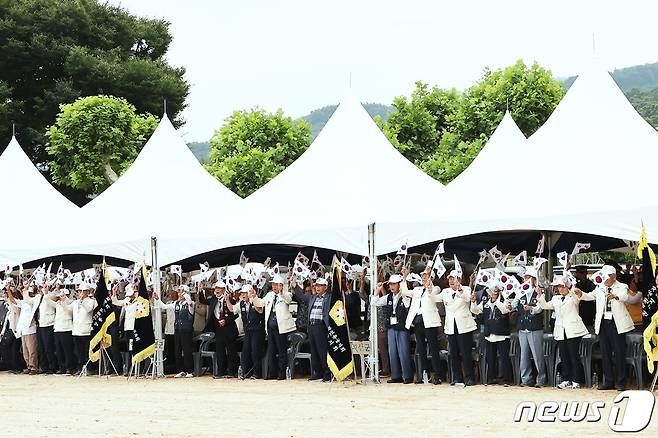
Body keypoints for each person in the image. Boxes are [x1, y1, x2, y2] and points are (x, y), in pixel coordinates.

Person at [579, 265, 638, 391]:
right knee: (605, 353)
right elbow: (590, 296)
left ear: (613, 276)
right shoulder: (600, 287)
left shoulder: (621, 286)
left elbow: (625, 296)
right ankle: (608, 381)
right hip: (603, 323)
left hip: (617, 323)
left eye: (607, 277)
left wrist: (615, 296)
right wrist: (581, 294)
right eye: (603, 277)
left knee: (619, 353)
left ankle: (621, 382)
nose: (605, 279)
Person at [537, 275, 588, 389]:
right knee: (563, 355)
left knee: (573, 355)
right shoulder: (556, 298)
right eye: (558, 287)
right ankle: (566, 379)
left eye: (562, 286)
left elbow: (576, 297)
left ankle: (576, 380)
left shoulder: (573, 296)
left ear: (567, 287)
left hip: (573, 330)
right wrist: (540, 295)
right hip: (561, 330)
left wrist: (571, 285)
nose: (560, 289)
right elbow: (545, 306)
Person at [401, 267, 443, 385]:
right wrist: (404, 277)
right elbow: (404, 292)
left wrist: (429, 285)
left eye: (426, 275)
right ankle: (425, 374)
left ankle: (438, 375)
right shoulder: (417, 289)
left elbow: (432, 294)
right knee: (421, 349)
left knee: (433, 349)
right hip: (419, 321)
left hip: (430, 322)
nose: (423, 277)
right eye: (423, 275)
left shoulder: (436, 288)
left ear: (431, 278)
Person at [251, 275, 296, 380]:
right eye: (273, 284)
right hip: (270, 327)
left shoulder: (286, 294)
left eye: (276, 284)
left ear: (281, 285)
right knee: (271, 351)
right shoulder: (270, 295)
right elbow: (260, 303)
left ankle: (281, 373)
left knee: (281, 351)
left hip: (281, 328)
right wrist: (254, 297)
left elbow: (288, 300)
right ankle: (272, 373)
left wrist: (281, 292)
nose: (274, 286)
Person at [438, 269, 478, 386]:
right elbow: (435, 297)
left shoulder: (466, 289)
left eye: (454, 278)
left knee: (466, 353)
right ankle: (457, 377)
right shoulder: (445, 291)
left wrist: (459, 288)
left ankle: (469, 377)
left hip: (464, 326)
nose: (451, 281)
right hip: (451, 326)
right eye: (450, 278)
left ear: (459, 280)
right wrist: (429, 288)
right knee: (453, 353)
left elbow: (467, 298)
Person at [372, 274, 412, 384]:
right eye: (390, 284)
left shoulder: (405, 296)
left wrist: (404, 284)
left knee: (403, 352)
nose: (391, 286)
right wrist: (377, 290)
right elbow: (374, 302)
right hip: (391, 327)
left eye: (394, 284)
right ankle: (396, 376)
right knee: (392, 352)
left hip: (402, 327)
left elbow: (408, 306)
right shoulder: (388, 297)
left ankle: (407, 376)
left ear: (399, 285)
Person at [291, 275, 331, 381]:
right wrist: (295, 286)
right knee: (313, 350)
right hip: (312, 326)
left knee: (322, 350)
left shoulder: (329, 298)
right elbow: (302, 296)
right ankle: (317, 372)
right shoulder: (313, 297)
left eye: (320, 286)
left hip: (321, 326)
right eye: (316, 285)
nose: (317, 287)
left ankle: (327, 373)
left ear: (325, 287)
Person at [512, 267, 546, 387]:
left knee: (537, 355)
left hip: (534, 327)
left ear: (533, 279)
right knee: (524, 356)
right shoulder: (520, 292)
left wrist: (531, 308)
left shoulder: (539, 292)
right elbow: (513, 305)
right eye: (524, 277)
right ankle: (526, 379)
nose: (525, 280)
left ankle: (540, 379)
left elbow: (541, 308)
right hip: (523, 327)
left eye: (528, 278)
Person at [472, 286, 513, 386]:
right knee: (490, 358)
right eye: (490, 292)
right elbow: (475, 311)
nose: (491, 294)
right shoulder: (485, 302)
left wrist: (496, 301)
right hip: (489, 334)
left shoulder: (505, 299)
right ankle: (491, 378)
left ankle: (505, 379)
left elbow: (505, 310)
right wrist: (473, 302)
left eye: (494, 292)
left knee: (504, 358)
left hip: (502, 334)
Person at [198, 281, 239, 378]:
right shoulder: (213, 299)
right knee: (219, 350)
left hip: (229, 329)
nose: (216, 290)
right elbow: (203, 300)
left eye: (219, 288)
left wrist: (226, 321)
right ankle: (221, 371)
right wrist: (200, 290)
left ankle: (232, 371)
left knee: (230, 351)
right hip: (218, 329)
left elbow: (236, 314)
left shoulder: (230, 300)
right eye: (216, 288)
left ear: (224, 290)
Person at [155, 285, 194, 378]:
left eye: (181, 292)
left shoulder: (190, 304)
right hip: (177, 329)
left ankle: (190, 370)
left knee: (187, 350)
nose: (179, 294)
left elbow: (189, 302)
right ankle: (180, 370)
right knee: (177, 350)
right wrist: (157, 299)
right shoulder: (176, 304)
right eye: (179, 292)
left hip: (186, 330)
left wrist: (185, 293)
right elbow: (164, 306)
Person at [227, 283, 265, 379]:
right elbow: (232, 309)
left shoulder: (256, 301)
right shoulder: (241, 303)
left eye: (245, 293)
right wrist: (227, 299)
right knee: (245, 352)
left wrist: (254, 299)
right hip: (247, 331)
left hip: (257, 331)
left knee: (255, 352)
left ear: (249, 293)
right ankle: (246, 372)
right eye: (242, 293)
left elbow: (260, 310)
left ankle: (257, 373)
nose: (243, 295)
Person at [7, 285, 39, 374]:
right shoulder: (23, 303)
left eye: (25, 292)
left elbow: (36, 297)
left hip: (31, 328)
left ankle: (34, 367)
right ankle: (28, 365)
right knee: (25, 350)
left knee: (32, 349)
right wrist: (8, 290)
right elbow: (13, 300)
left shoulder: (33, 301)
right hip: (23, 329)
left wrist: (26, 290)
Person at [46, 286, 76, 375]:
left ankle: (70, 368)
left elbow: (68, 311)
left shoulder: (71, 303)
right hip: (58, 329)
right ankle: (62, 367)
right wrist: (45, 292)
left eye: (62, 295)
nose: (60, 297)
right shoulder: (58, 303)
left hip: (67, 329)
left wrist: (63, 301)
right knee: (59, 350)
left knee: (67, 350)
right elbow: (48, 301)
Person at [71, 282, 97, 374]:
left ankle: (89, 368)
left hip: (86, 330)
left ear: (87, 292)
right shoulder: (75, 302)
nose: (81, 293)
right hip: (76, 329)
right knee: (78, 351)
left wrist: (82, 301)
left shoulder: (92, 301)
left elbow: (89, 309)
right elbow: (68, 309)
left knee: (87, 351)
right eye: (79, 291)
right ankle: (80, 368)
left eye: (83, 291)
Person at [36, 283, 58, 374]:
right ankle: (44, 367)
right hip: (40, 324)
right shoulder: (39, 297)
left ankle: (52, 367)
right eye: (41, 287)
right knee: (41, 348)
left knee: (49, 347)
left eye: (45, 286)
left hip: (49, 324)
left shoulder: (51, 295)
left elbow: (50, 300)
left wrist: (46, 292)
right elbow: (28, 300)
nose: (42, 288)